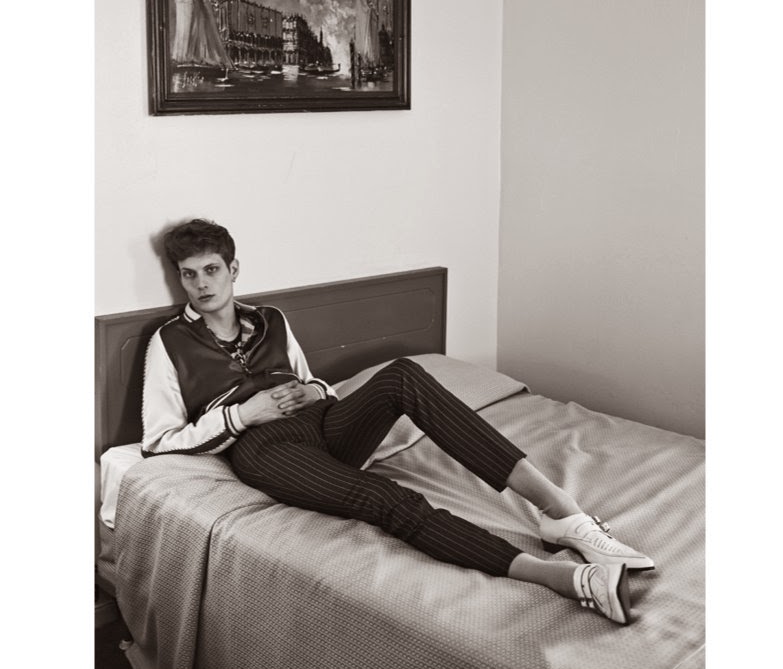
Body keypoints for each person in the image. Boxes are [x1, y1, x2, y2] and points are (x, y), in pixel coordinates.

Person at [142, 219, 654, 626]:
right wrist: (241, 414)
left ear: (233, 269)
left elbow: (314, 381)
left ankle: (562, 512)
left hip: (322, 423)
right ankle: (559, 578)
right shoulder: (168, 342)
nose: (201, 284)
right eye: (189, 274)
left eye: (211, 269)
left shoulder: (271, 319)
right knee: (385, 497)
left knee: (404, 374)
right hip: (267, 449)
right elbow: (159, 440)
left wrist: (313, 391)